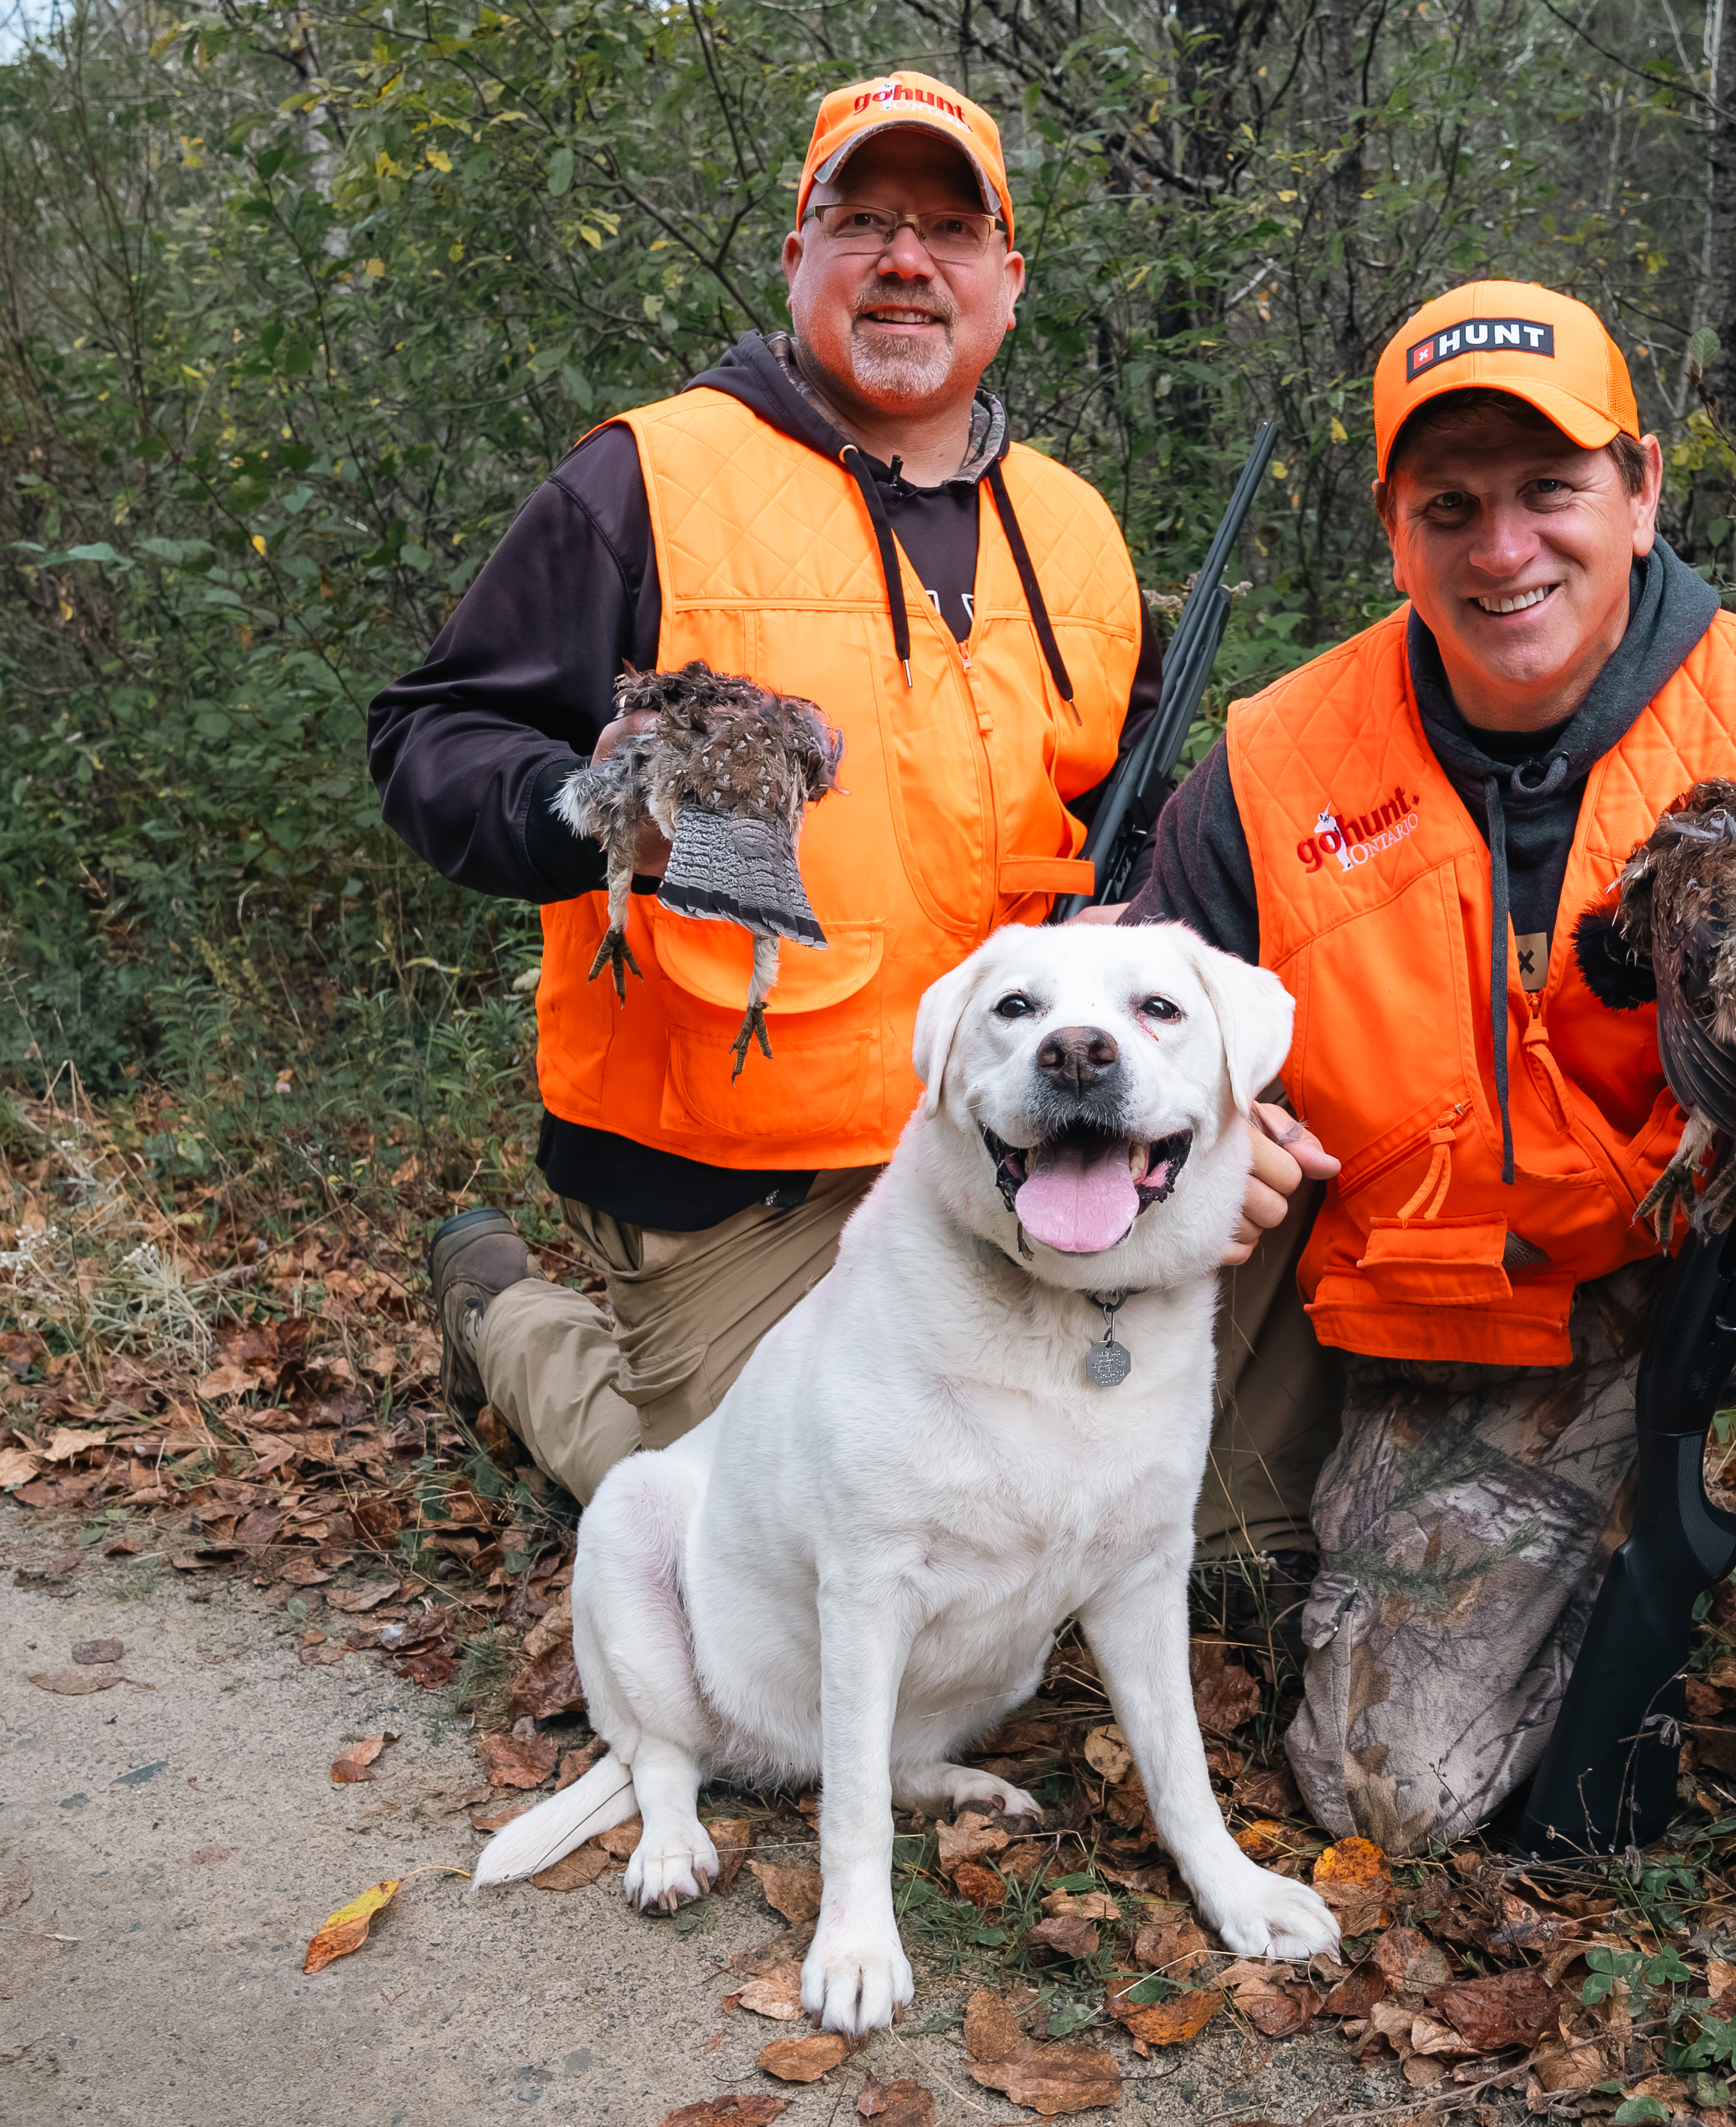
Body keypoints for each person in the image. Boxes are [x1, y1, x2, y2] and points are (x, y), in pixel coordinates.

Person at [1125, 281, 1736, 1913]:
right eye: (1446, 505)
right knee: (1398, 1795)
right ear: (1392, 530)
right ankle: (1573, 1545)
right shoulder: (1270, 764)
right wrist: (1212, 1135)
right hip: (1479, 1320)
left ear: (1641, 486)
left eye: (1549, 490)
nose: (1501, 546)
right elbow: (1147, 1026)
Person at [369, 69, 1328, 1507]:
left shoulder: (1070, 531)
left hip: (1019, 1129)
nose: (904, 259)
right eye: (862, 218)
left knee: (1168, 1501)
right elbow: (431, 738)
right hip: (743, 1183)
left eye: (949, 227)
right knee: (745, 1544)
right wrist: (599, 810)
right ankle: (515, 1322)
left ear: (1005, 277)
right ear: (797, 258)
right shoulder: (646, 480)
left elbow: (1134, 814)